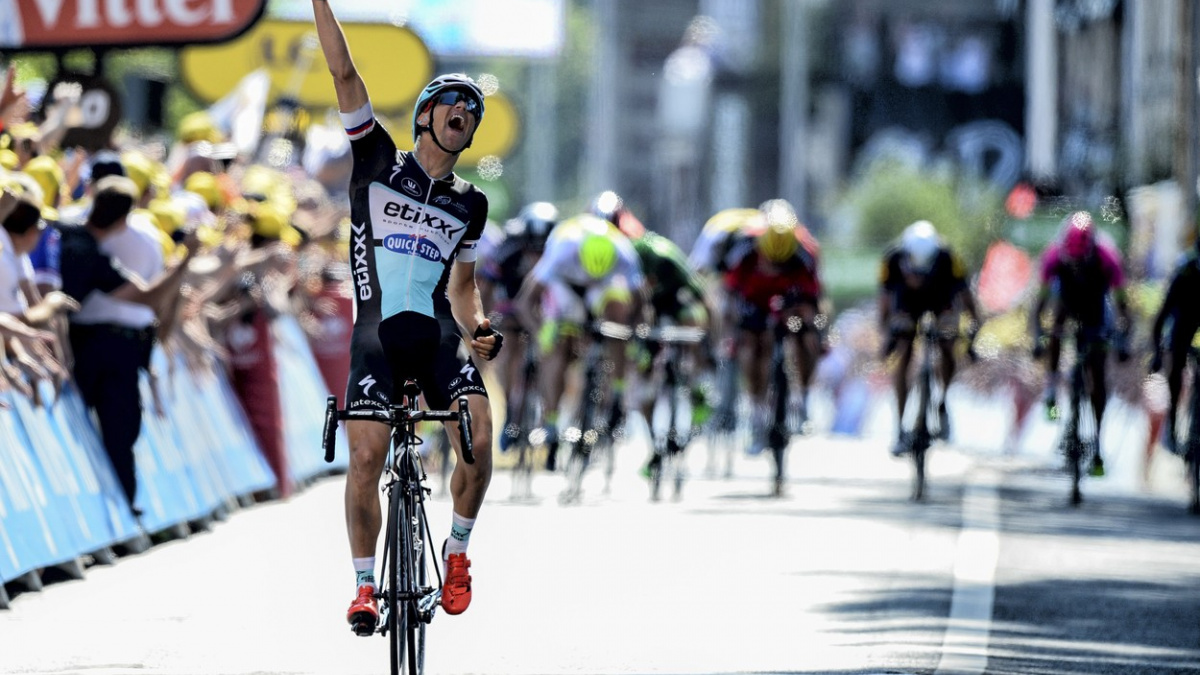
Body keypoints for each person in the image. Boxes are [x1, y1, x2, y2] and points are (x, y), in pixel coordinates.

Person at [311, 0, 503, 633]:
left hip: (439, 334)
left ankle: (456, 555)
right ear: (426, 114)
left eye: (474, 111)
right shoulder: (376, 161)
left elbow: (464, 283)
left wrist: (476, 327)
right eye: (455, 102)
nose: (466, 113)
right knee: (365, 458)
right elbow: (345, 76)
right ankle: (365, 585)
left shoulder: (470, 203)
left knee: (478, 432)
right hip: (377, 335)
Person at [57, 176, 200, 516]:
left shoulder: (64, 232)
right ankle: (120, 508)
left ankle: (104, 510)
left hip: (78, 342)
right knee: (119, 432)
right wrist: (185, 259)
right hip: (100, 349)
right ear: (125, 219)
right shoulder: (90, 252)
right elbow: (149, 299)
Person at [513, 214, 643, 471]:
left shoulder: (623, 252)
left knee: (617, 316)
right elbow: (525, 303)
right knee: (558, 348)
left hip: (603, 287)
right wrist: (542, 333)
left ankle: (617, 391)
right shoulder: (562, 251)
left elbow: (639, 301)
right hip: (565, 287)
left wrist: (634, 334)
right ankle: (550, 424)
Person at [722, 199, 825, 493]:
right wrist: (730, 327)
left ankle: (802, 397)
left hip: (790, 306)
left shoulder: (805, 251)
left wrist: (814, 328)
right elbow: (729, 294)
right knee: (752, 346)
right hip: (753, 304)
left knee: (807, 335)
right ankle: (756, 413)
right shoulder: (745, 248)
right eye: (770, 262)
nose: (775, 266)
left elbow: (815, 301)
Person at [1030, 210, 1131, 477]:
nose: (1075, 265)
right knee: (1055, 327)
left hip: (1097, 308)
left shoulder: (1108, 257)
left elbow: (1123, 307)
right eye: (1070, 261)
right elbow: (1038, 307)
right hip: (1068, 301)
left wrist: (1123, 340)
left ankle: (1097, 443)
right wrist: (1037, 335)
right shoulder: (1052, 256)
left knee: (1097, 374)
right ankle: (1051, 388)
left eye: (1079, 261)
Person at [879, 220, 979, 456]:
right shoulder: (892, 259)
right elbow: (883, 302)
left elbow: (966, 298)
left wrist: (974, 328)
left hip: (940, 302)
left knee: (948, 343)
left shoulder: (948, 258)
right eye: (914, 273)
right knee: (903, 352)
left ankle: (942, 403)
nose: (919, 278)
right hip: (906, 305)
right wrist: (887, 335)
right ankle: (901, 429)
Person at [479, 201, 557, 450]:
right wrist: (483, 320)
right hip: (510, 299)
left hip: (545, 302)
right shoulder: (508, 248)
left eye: (541, 249)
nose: (536, 255)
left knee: (553, 351)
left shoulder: (559, 251)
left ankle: (548, 417)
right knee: (508, 345)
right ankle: (510, 407)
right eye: (531, 248)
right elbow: (486, 287)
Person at [1148, 239, 1200, 454]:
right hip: (1185, 318)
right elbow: (1163, 314)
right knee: (1177, 361)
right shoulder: (1185, 271)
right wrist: (1157, 353)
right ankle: (1173, 423)